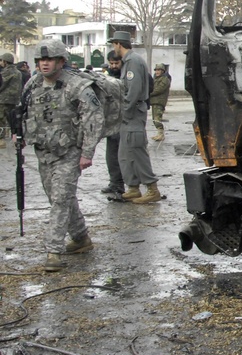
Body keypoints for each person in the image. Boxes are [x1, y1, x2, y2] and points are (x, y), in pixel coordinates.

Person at [17, 39, 103, 272]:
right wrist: (20, 134)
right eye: (41, 60)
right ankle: (81, 237)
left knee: (60, 200)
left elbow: (93, 119)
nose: (44, 64)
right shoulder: (33, 83)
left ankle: (53, 251)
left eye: (50, 59)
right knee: (58, 197)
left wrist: (87, 152)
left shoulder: (77, 86)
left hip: (69, 152)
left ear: (61, 61)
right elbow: (23, 110)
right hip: (43, 151)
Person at [107, 31, 159, 204]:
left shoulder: (133, 62)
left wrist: (126, 111)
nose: (113, 47)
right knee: (125, 153)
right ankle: (133, 187)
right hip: (128, 114)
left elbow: (134, 90)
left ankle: (152, 188)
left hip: (133, 113)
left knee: (137, 150)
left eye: (113, 44)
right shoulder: (128, 62)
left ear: (119, 45)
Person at [100, 50, 125, 199]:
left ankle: (130, 185)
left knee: (126, 155)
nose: (114, 66)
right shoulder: (106, 76)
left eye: (117, 63)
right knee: (111, 155)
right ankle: (115, 183)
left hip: (125, 120)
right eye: (112, 63)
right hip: (111, 122)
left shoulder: (127, 73)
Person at [0, 51, 21, 149]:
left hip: (4, 99)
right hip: (15, 99)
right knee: (13, 120)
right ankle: (16, 138)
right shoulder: (18, 71)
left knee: (1, 120)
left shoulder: (6, 72)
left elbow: (1, 84)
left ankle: (1, 140)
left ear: (5, 62)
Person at [149, 63, 171, 141]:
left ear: (162, 71)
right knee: (154, 119)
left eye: (159, 70)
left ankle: (161, 134)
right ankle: (159, 133)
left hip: (159, 101)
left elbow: (159, 89)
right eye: (156, 70)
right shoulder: (155, 78)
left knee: (157, 118)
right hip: (155, 101)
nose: (157, 72)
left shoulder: (165, 79)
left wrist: (149, 94)